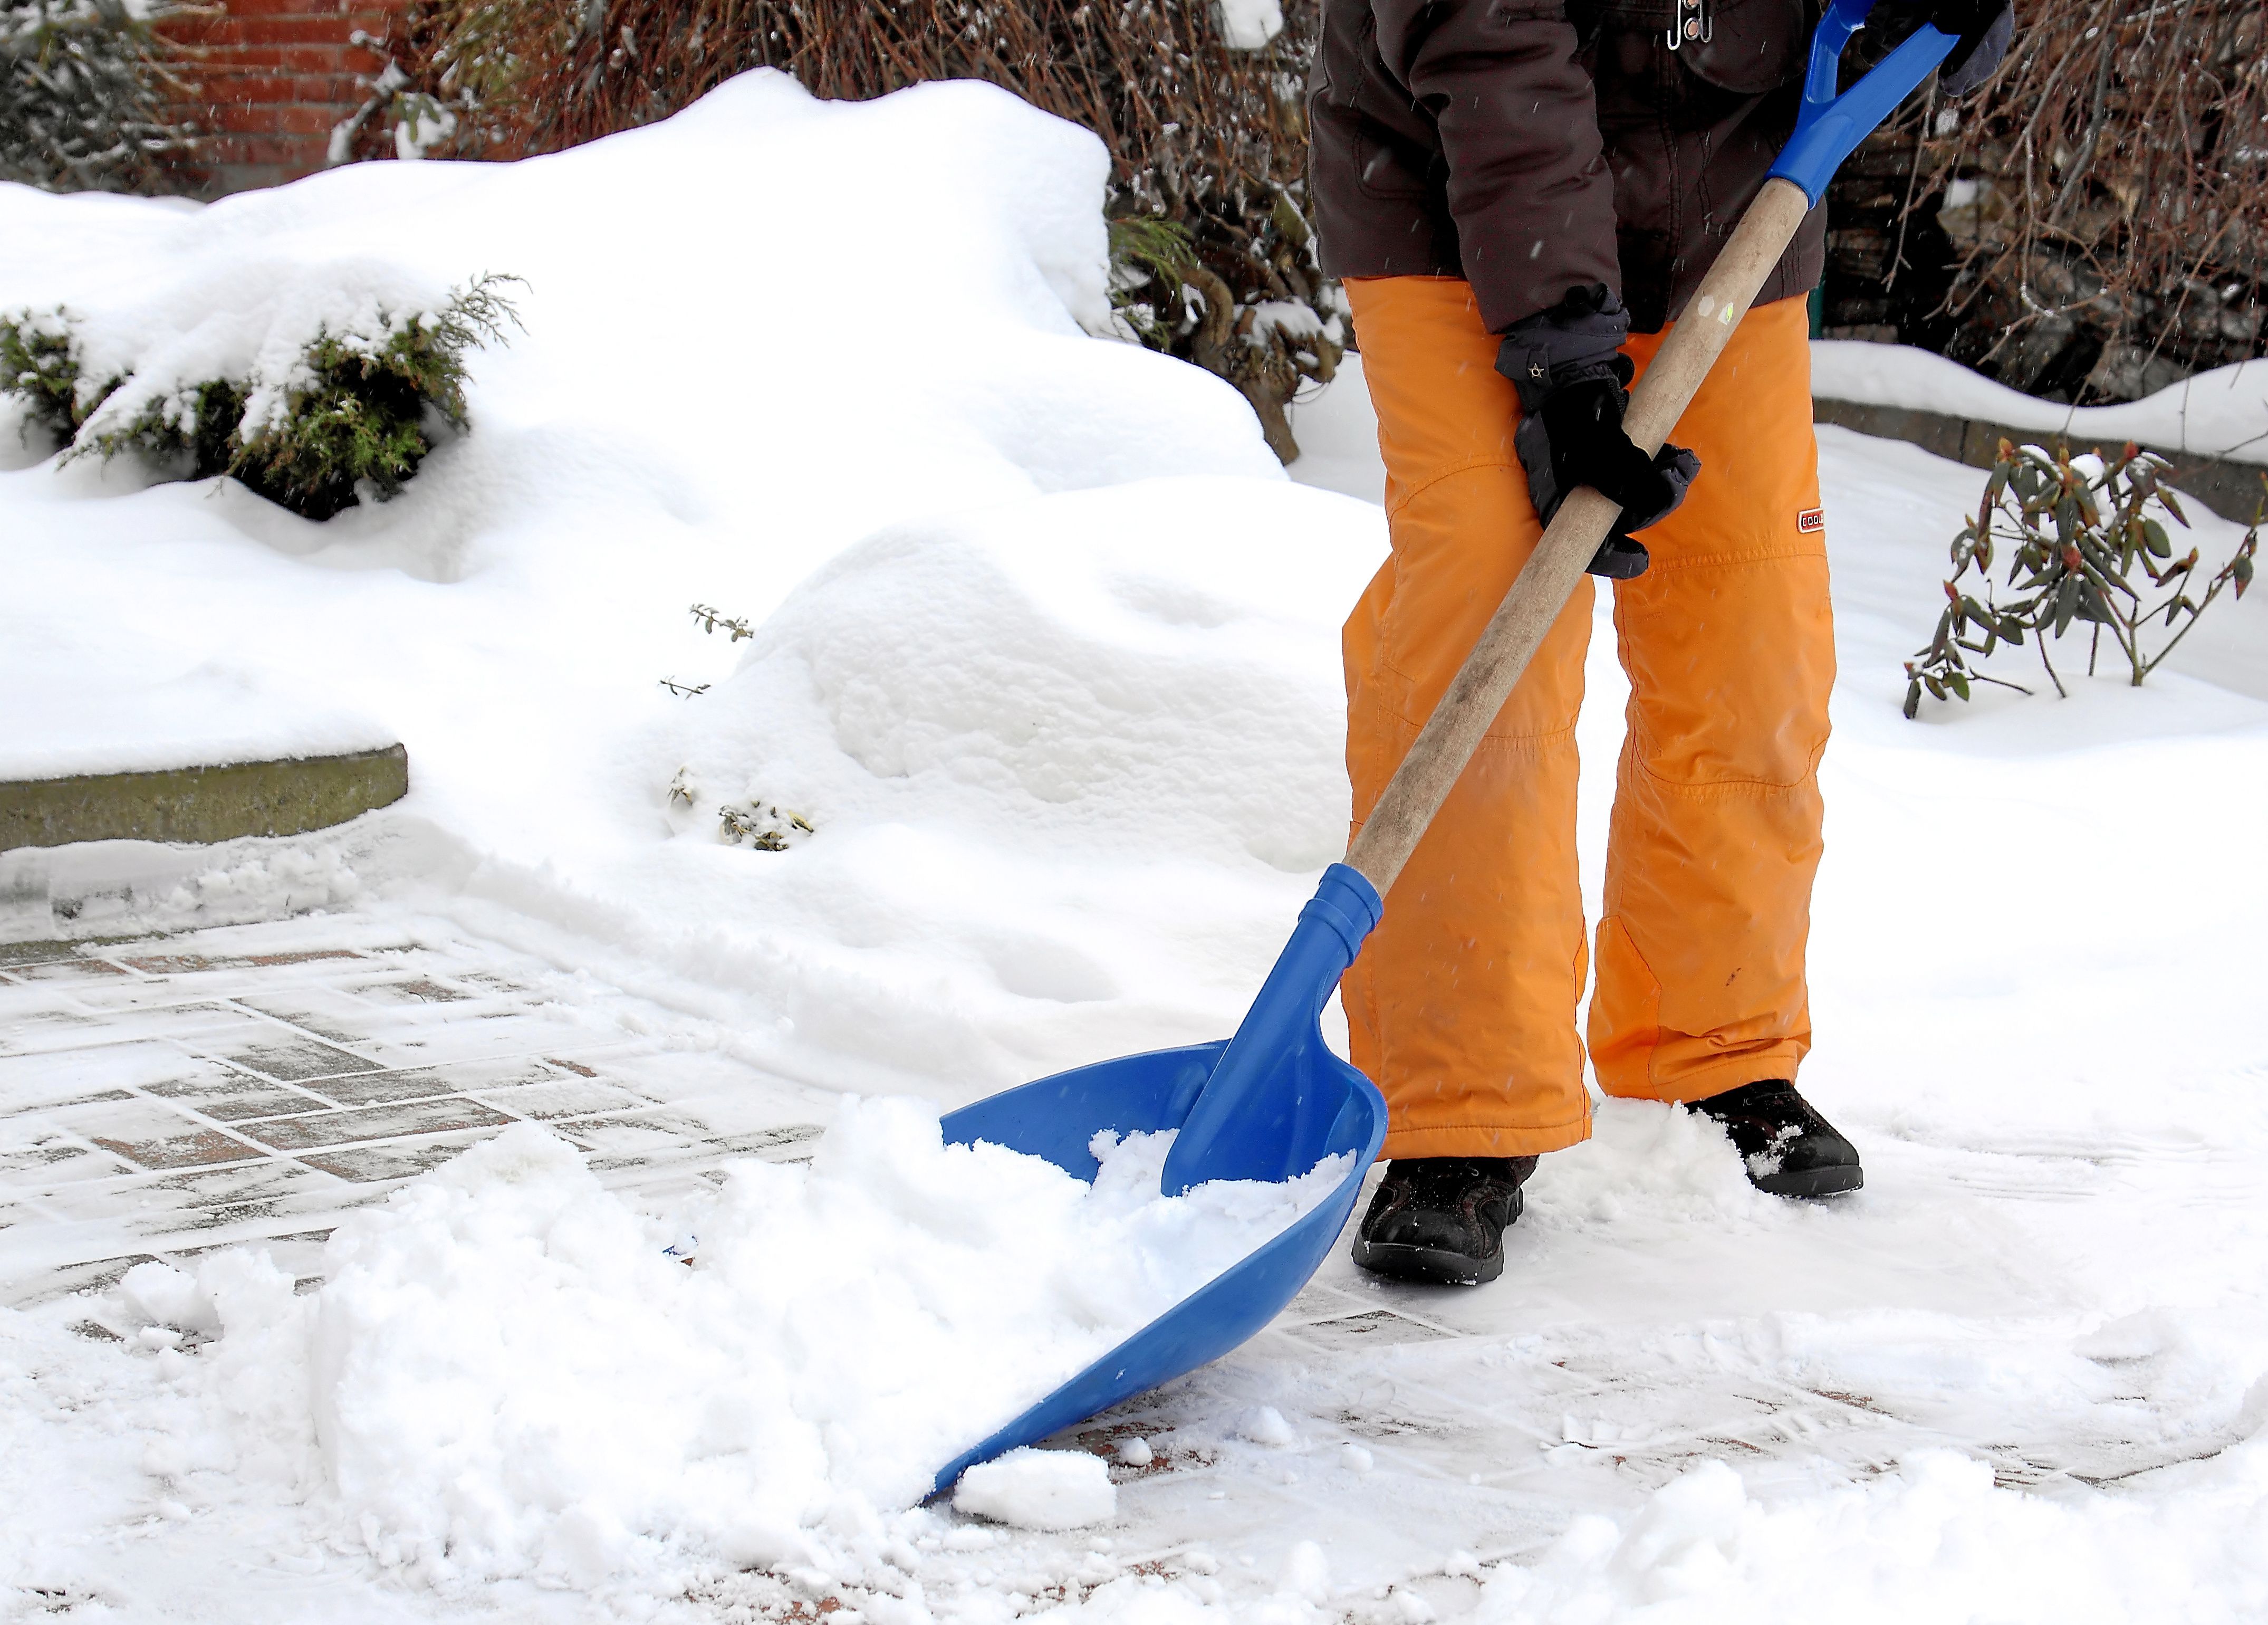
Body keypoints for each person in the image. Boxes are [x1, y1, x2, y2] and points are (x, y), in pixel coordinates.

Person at [1306, 0, 2012, 1285]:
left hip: (1731, 206)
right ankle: (1459, 1109)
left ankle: (1712, 1044)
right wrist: (1566, 357)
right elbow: (1490, 42)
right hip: (1460, 197)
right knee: (1486, 608)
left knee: (1751, 628)